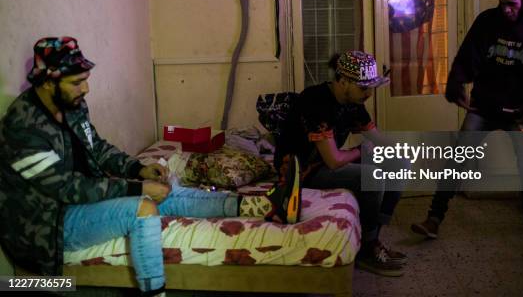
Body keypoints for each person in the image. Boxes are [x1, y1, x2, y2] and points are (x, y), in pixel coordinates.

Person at [0, 37, 302, 297]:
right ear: (50, 81)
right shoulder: (23, 128)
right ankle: (154, 292)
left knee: (165, 190)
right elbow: (66, 187)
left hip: (79, 201)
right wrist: (137, 188)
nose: (87, 89)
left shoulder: (70, 105)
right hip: (49, 225)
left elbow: (99, 148)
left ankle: (263, 205)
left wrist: (138, 169)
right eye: (77, 82)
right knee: (144, 208)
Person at [411, 0, 523, 242]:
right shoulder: (487, 21)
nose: (506, 10)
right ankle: (434, 218)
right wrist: (456, 84)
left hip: (520, 112)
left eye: (513, 5)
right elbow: (467, 56)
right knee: (457, 157)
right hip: (483, 107)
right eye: (503, 3)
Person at [274, 50, 408, 277]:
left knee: (399, 163)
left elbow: (377, 139)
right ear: (343, 81)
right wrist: (360, 151)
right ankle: (367, 250)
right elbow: (334, 161)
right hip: (303, 170)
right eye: (363, 88)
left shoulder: (353, 101)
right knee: (372, 176)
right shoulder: (315, 101)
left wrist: (402, 151)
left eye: (371, 88)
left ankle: (373, 238)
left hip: (325, 162)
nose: (368, 94)